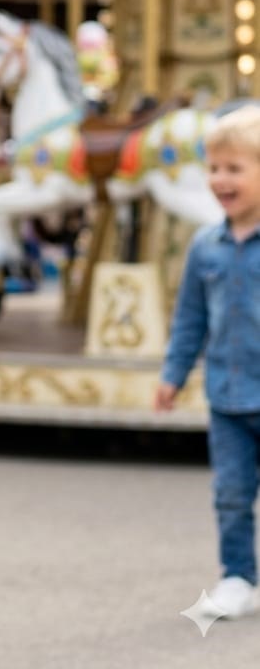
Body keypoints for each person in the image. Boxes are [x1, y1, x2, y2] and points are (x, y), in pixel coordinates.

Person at [155, 103, 260, 620]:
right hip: (228, 397)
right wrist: (172, 375)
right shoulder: (205, 247)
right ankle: (239, 575)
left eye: (234, 168)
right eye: (214, 168)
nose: (220, 178)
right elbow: (190, 319)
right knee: (232, 494)